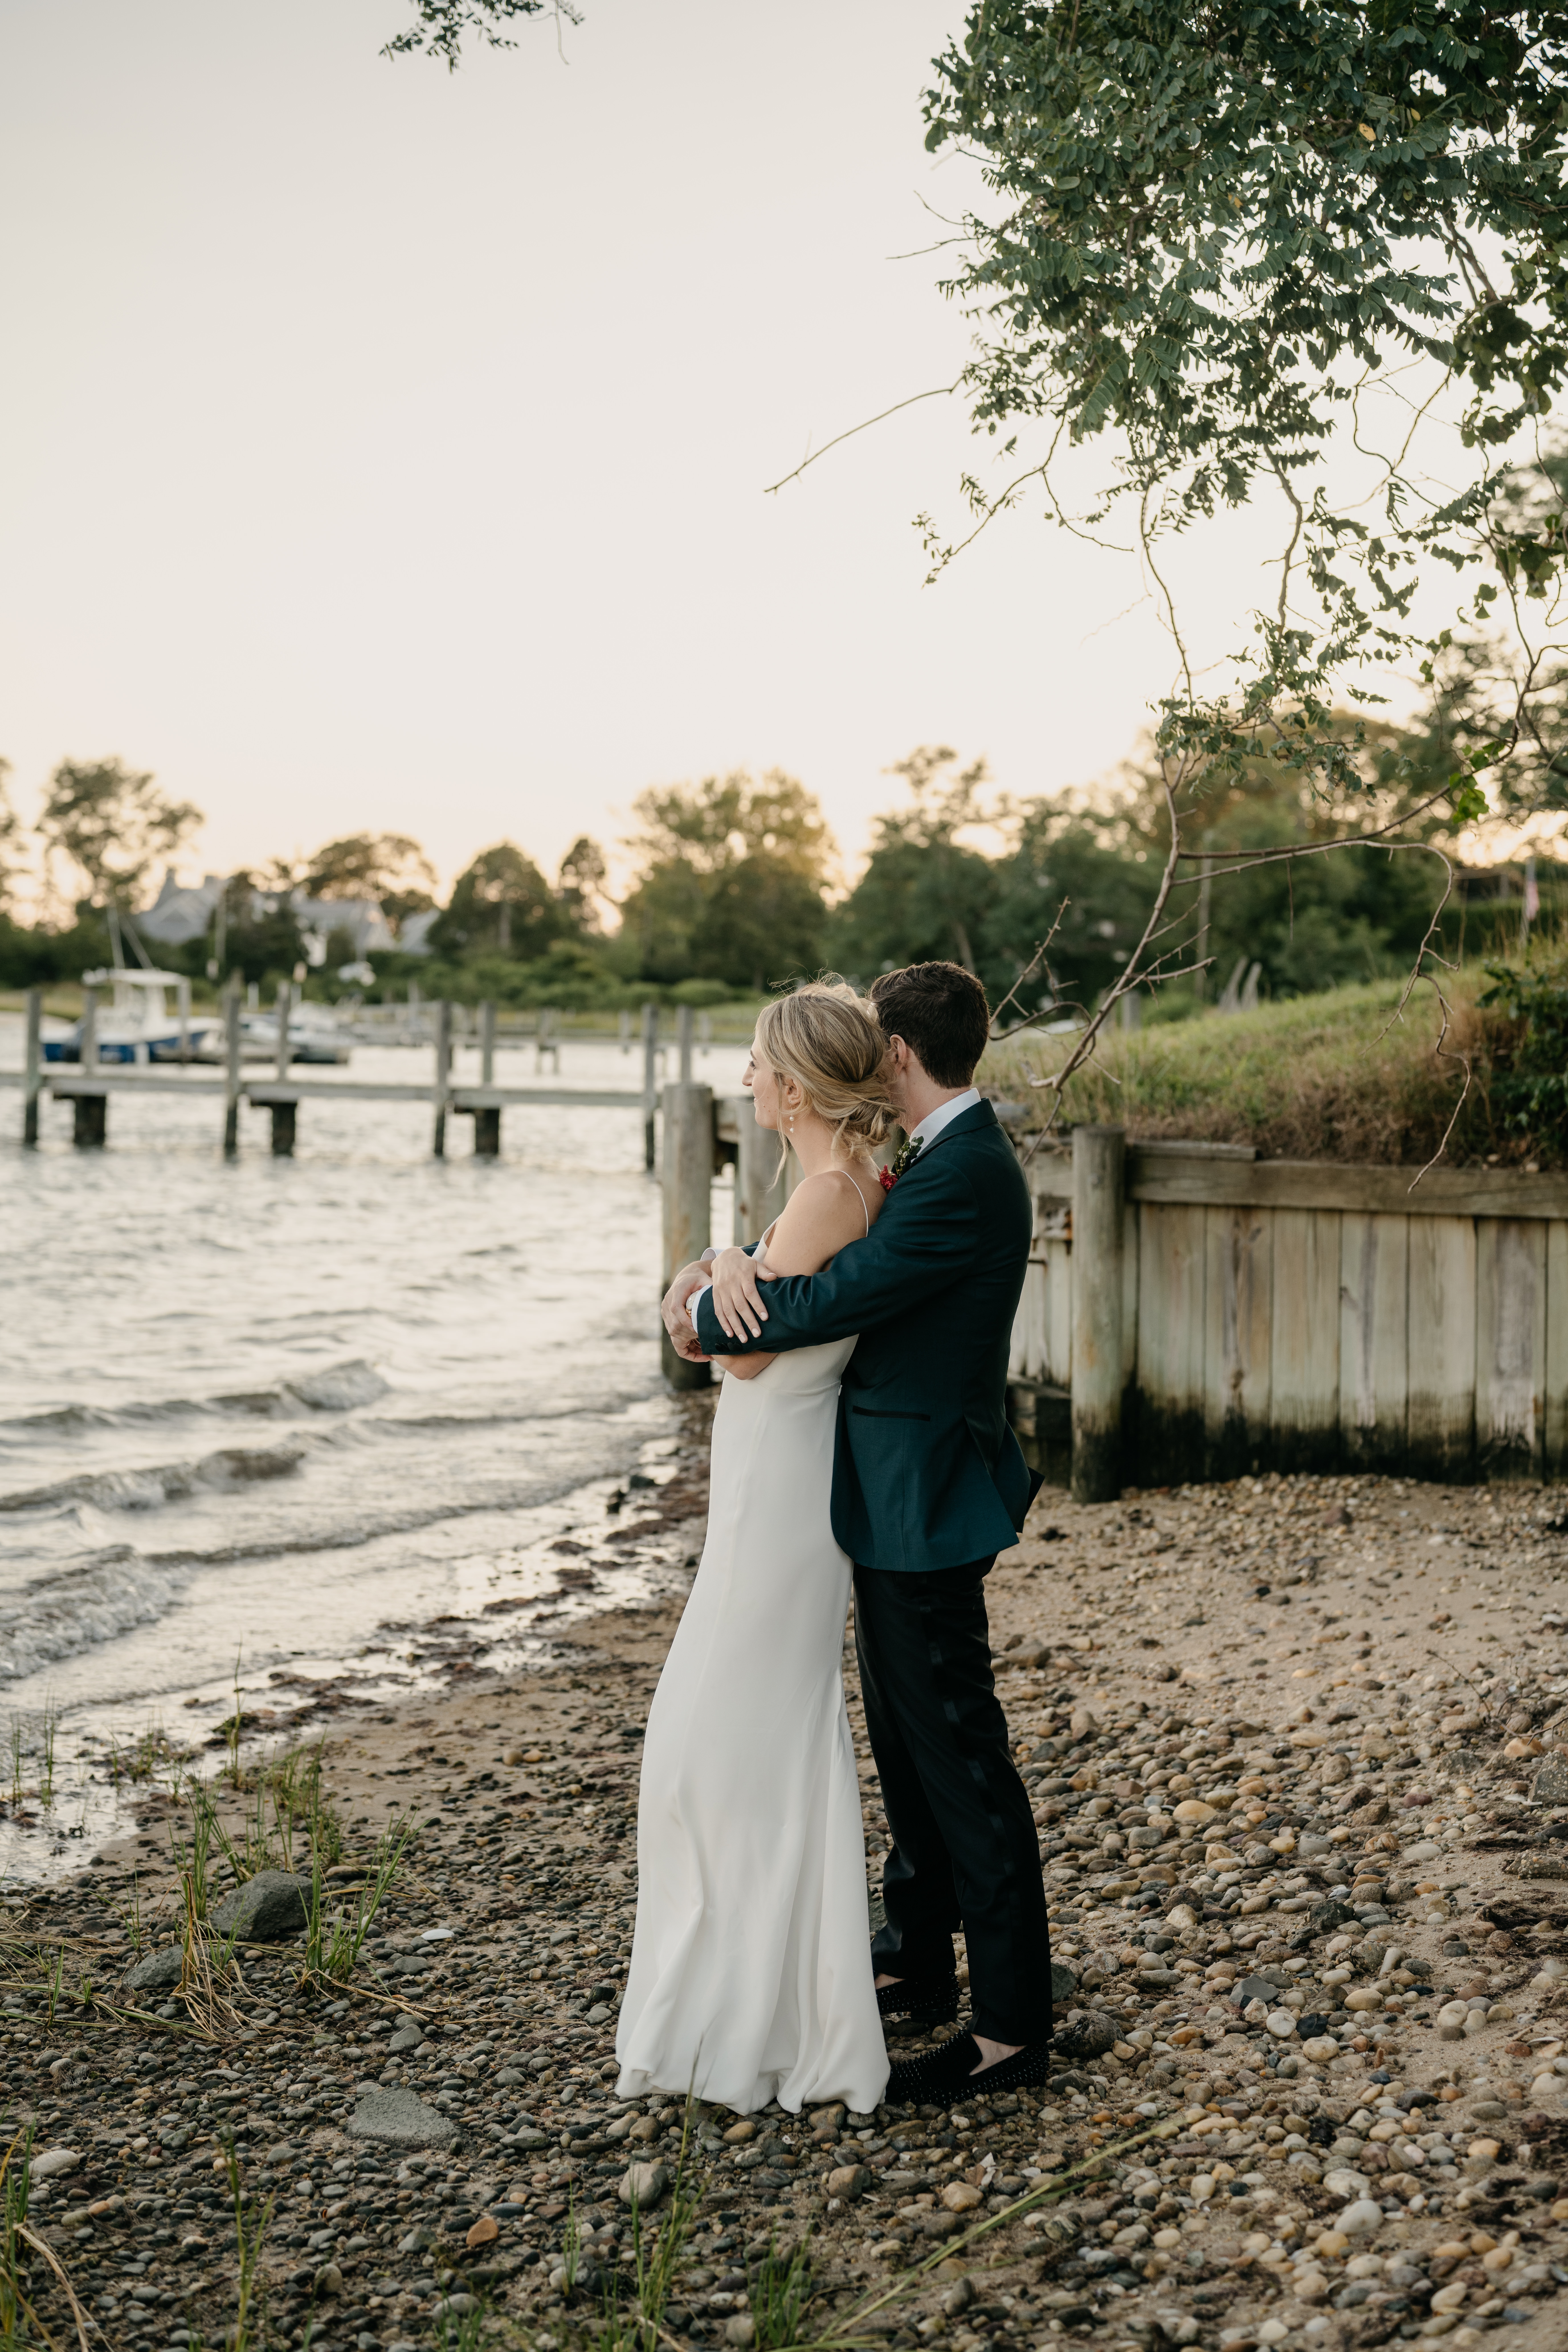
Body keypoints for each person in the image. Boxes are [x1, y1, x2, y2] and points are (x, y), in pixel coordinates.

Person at [662, 960, 1054, 2102]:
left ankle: (1011, 2026)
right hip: (891, 1500)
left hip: (921, 1503)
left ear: (892, 1051)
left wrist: (702, 1301)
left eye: (863, 1039)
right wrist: (733, 1258)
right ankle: (918, 1959)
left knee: (961, 1764)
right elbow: (817, 1253)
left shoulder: (964, 1174)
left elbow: (831, 1298)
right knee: (908, 1750)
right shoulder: (930, 1161)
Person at [617, 981, 897, 2114]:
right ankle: (745, 1986)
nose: (746, 1077)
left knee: (724, 1737)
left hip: (779, 1486)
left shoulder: (831, 1190)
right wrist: (726, 1266)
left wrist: (719, 1278)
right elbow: (739, 1325)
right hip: (764, 1474)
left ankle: (765, 2006)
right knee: (720, 1733)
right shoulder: (819, 1183)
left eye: (758, 1063)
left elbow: (736, 1354)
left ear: (797, 1083)